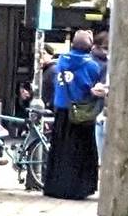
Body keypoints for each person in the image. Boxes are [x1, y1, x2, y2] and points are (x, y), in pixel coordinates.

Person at [43, 29, 107, 200]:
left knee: (60, 151)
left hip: (61, 110)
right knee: (79, 151)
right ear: (90, 47)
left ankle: (56, 186)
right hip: (80, 113)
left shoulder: (61, 61)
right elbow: (90, 87)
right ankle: (77, 188)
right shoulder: (92, 65)